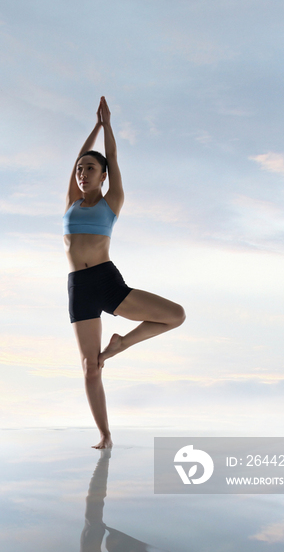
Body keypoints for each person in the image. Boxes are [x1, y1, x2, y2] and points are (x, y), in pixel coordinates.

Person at [63, 96, 186, 449]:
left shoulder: (110, 202)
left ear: (103, 176)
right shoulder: (71, 201)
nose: (82, 173)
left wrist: (107, 126)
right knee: (89, 366)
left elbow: (112, 158)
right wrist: (93, 129)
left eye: (90, 169)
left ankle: (121, 345)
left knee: (175, 315)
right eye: (80, 169)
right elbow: (76, 160)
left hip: (105, 281)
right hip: (79, 288)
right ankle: (104, 434)